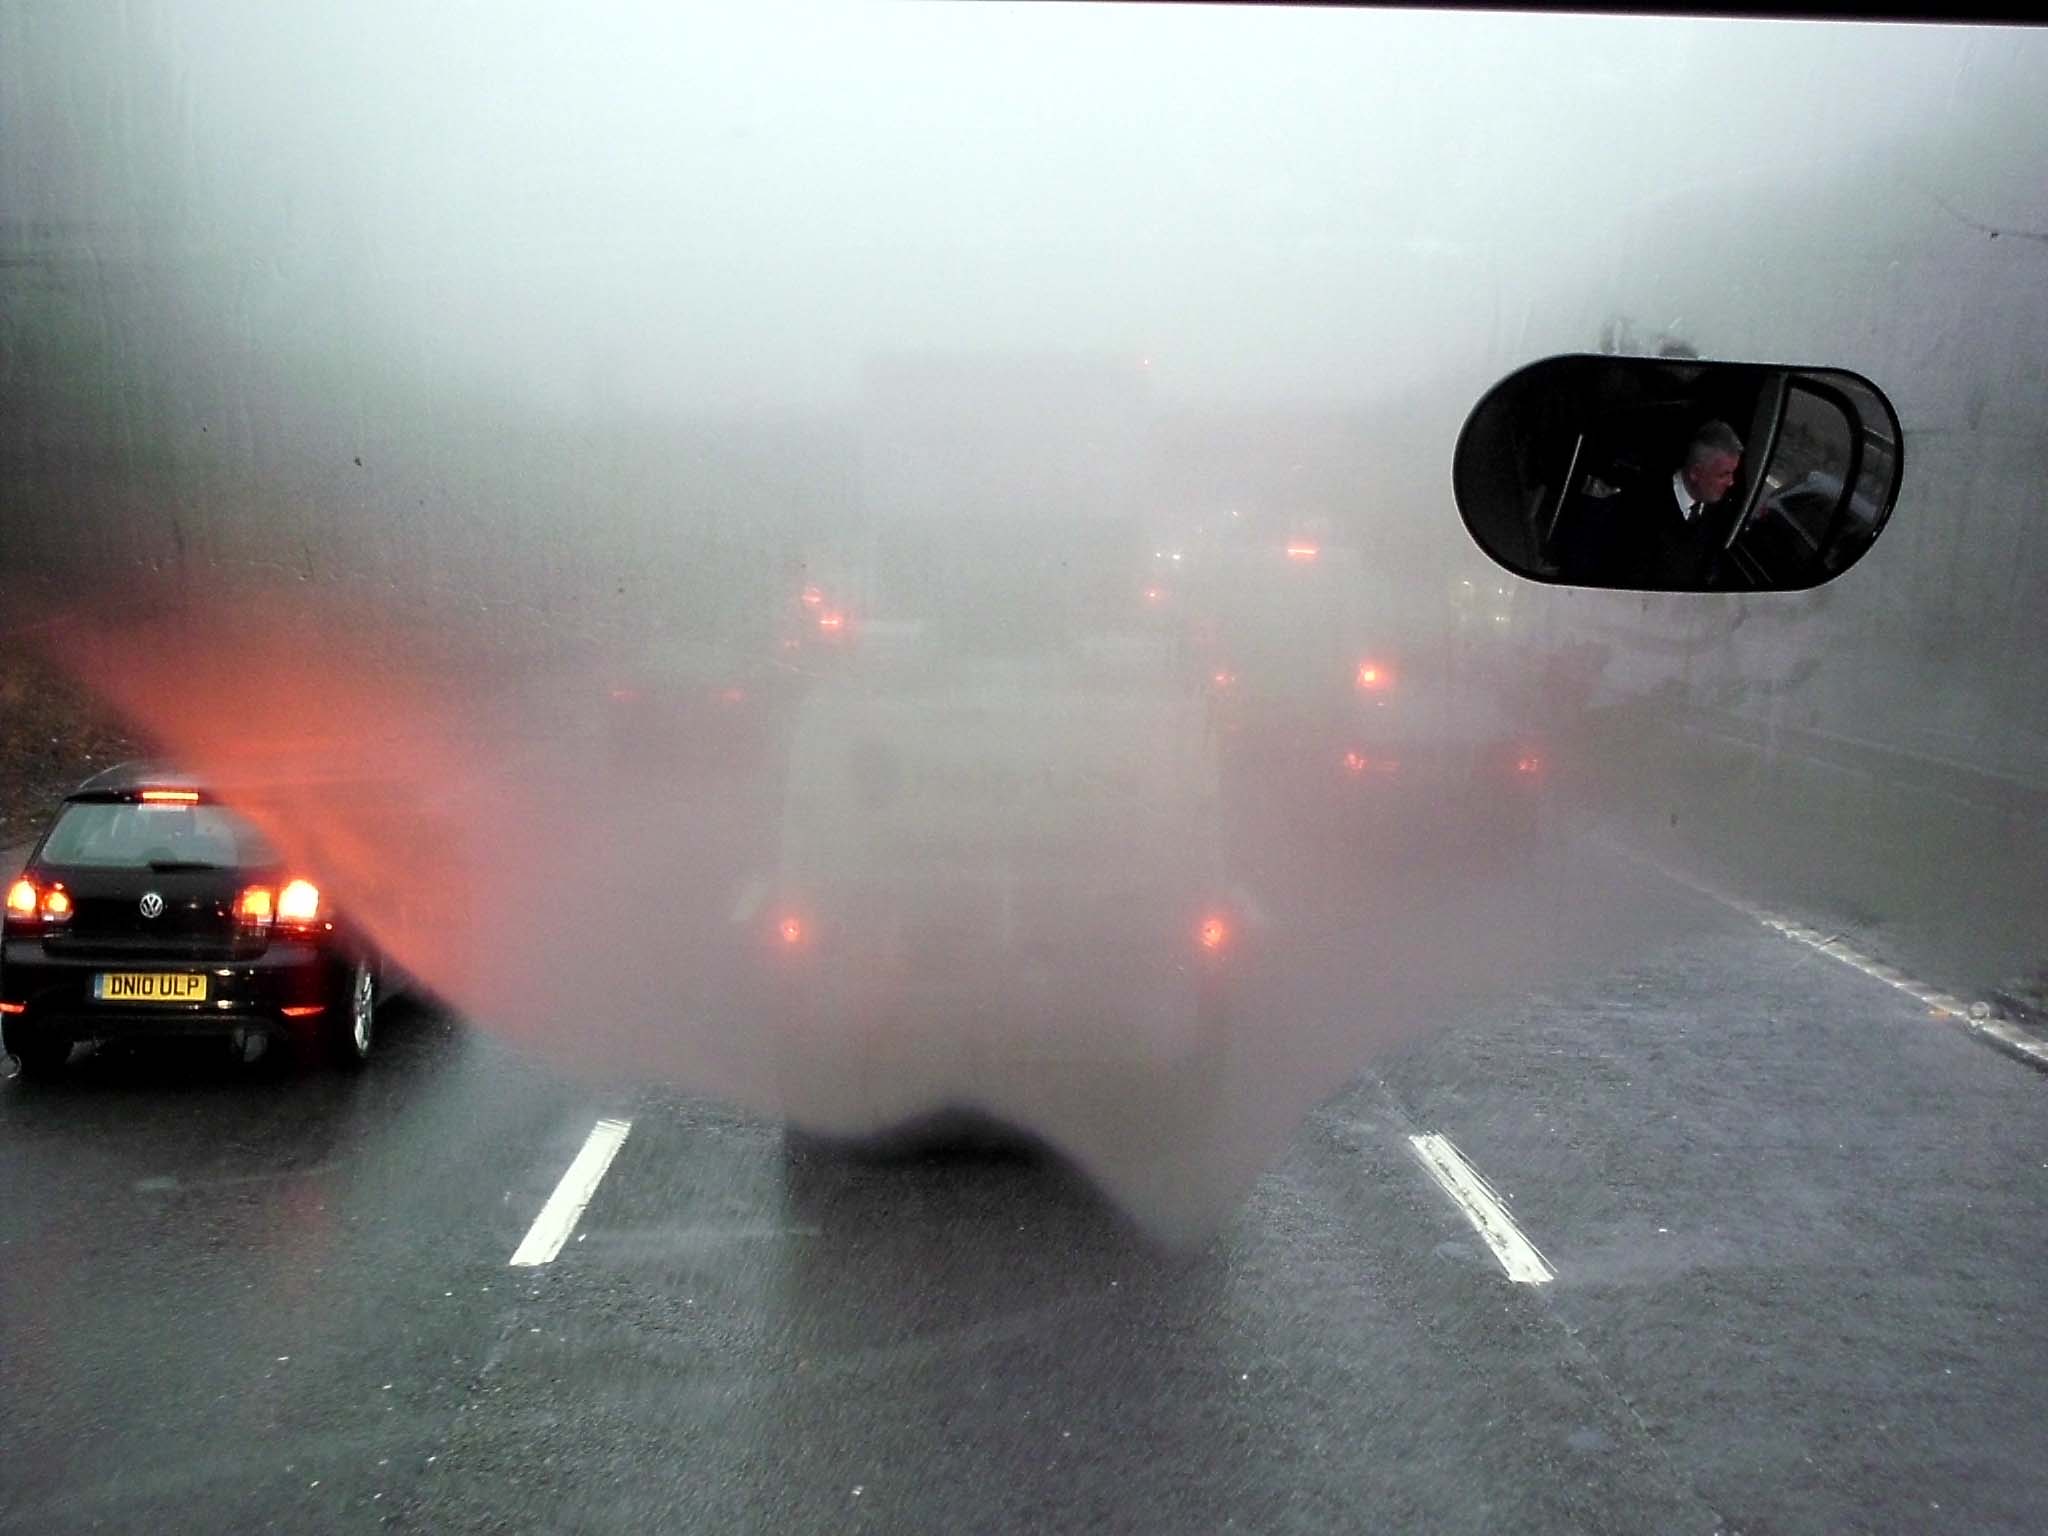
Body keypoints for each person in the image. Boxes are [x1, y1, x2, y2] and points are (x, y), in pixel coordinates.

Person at [1553, 420, 1746, 589]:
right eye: (1724, 474)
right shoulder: (1634, 504)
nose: (1731, 482)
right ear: (1696, 473)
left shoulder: (1719, 514)